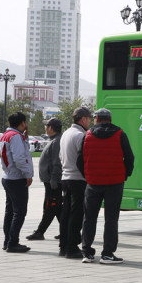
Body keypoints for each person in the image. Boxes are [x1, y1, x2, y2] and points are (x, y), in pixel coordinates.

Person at [78, 108, 134, 264]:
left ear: (96, 119)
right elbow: (129, 158)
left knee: (89, 217)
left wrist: (88, 176)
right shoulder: (120, 134)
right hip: (115, 183)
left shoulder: (87, 135)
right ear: (109, 119)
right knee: (111, 218)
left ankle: (87, 252)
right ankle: (107, 254)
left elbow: (80, 160)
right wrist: (124, 175)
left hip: (93, 183)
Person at [59, 107, 92, 258]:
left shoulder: (66, 133)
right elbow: (83, 159)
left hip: (66, 177)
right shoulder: (81, 135)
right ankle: (72, 247)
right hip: (78, 179)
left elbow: (60, 156)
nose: (90, 122)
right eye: (89, 119)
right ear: (83, 119)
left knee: (66, 213)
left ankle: (64, 245)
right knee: (76, 214)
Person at [0, 112, 34, 253]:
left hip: (7, 176)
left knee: (10, 211)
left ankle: (7, 240)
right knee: (20, 212)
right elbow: (19, 158)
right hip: (17, 178)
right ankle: (13, 242)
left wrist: (25, 138)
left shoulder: (6, 135)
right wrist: (28, 174)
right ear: (22, 123)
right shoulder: (16, 137)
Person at [26, 118, 63, 240]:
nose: (45, 128)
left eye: (46, 126)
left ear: (51, 128)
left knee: (50, 206)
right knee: (57, 208)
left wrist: (54, 178)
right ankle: (67, 230)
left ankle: (40, 232)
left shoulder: (57, 141)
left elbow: (57, 162)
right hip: (50, 181)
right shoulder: (54, 140)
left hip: (53, 182)